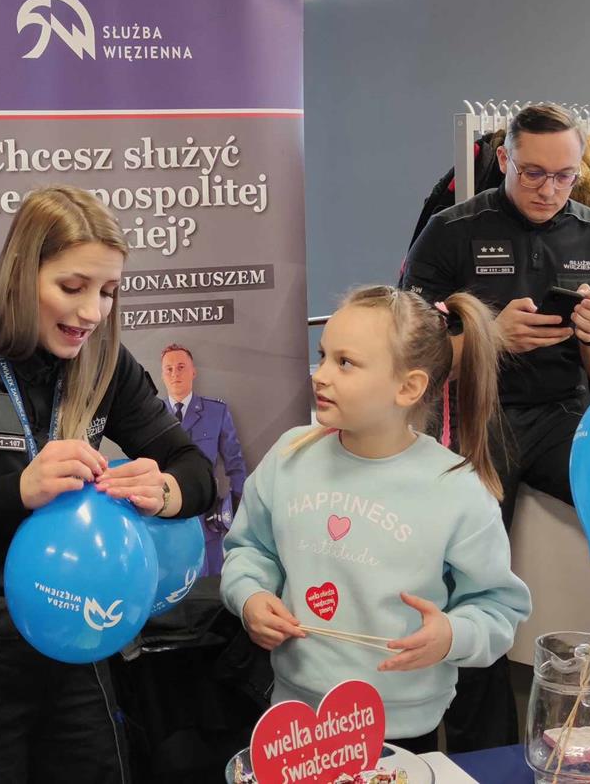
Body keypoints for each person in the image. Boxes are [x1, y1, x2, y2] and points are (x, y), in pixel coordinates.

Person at [0, 186, 214, 784]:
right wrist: (18, 492)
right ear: (21, 272)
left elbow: (195, 469)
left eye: (108, 291)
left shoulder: (103, 363)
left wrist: (166, 492)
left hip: (80, 636)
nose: (92, 313)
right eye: (72, 287)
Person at [398, 102, 590, 748]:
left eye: (564, 176)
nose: (549, 189)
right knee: (470, 565)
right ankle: (482, 745)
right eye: (532, 173)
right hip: (478, 412)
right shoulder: (451, 231)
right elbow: (412, 358)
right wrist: (490, 338)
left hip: (565, 414)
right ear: (503, 159)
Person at [220, 285, 531, 751]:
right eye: (323, 356)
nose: (322, 375)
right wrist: (250, 597)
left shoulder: (456, 491)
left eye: (345, 363)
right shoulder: (289, 456)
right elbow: (249, 549)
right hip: (294, 718)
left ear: (408, 387)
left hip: (403, 732)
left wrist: (451, 634)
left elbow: (498, 608)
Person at [160, 343, 248, 575]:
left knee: (209, 585)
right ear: (162, 375)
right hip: (164, 518)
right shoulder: (151, 415)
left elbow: (235, 462)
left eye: (181, 367)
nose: (175, 373)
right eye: (169, 369)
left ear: (193, 372)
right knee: (170, 582)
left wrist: (238, 504)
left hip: (205, 517)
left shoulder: (216, 412)